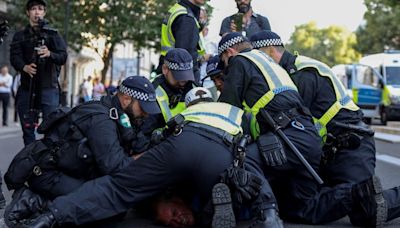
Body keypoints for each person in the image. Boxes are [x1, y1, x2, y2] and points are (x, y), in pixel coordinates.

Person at [7, 87, 284, 228]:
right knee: (245, 175)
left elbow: (162, 139)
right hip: (221, 150)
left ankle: (50, 217)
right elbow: (254, 140)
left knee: (116, 189)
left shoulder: (186, 113)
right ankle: (267, 215)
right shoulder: (233, 110)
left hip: (180, 144)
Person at [216, 32, 390, 226]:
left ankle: (268, 214)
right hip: (322, 149)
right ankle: (354, 193)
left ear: (270, 51)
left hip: (348, 147)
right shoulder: (284, 74)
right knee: (302, 208)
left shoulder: (301, 73)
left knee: (366, 211)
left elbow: (293, 121)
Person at [10, 0, 68, 145]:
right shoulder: (20, 36)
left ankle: (47, 162)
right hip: (27, 88)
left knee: (51, 129)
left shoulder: (53, 35)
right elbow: (14, 57)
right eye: (33, 9)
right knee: (27, 130)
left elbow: (63, 56)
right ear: (28, 12)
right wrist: (24, 67)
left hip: (48, 88)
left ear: (44, 12)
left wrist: (50, 54)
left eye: (40, 9)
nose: (37, 12)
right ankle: (29, 162)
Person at [142, 48, 195, 138]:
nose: (184, 81)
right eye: (179, 76)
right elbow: (145, 133)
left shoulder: (194, 88)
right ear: (165, 69)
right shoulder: (151, 93)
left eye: (186, 75)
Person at [159, 0, 206, 84]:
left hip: (170, 73)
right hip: (180, 78)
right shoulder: (186, 18)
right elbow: (186, 59)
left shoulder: (179, 10)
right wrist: (192, 85)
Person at [198, 7, 218, 99]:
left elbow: (220, 55)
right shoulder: (193, 36)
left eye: (201, 18)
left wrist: (211, 56)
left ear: (206, 19)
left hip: (210, 83)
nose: (200, 20)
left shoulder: (213, 38)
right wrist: (201, 59)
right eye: (198, 18)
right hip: (196, 82)